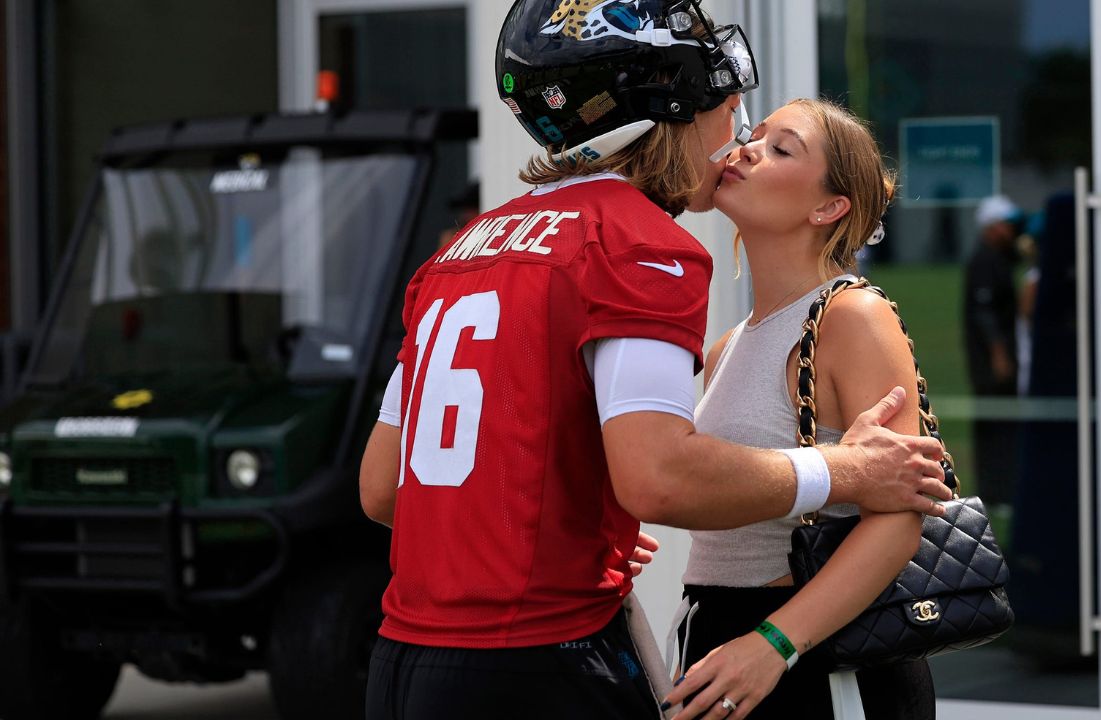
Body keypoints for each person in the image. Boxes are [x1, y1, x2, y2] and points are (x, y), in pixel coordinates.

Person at [358, 3, 950, 719]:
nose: (734, 140)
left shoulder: (462, 247)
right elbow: (660, 476)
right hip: (545, 655)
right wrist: (844, 470)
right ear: (665, 104)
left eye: (773, 142)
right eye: (729, 111)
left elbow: (385, 488)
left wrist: (577, 520)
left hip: (405, 656)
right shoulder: (637, 242)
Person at [660, 99, 937, 720]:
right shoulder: (730, 344)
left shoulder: (853, 316)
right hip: (718, 636)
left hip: (817, 653)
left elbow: (900, 516)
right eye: (752, 136)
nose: (747, 149)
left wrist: (773, 645)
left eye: (782, 148)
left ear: (827, 208)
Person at [963, 194, 1023, 512]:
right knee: (995, 425)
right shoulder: (985, 260)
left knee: (1001, 424)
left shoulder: (997, 257)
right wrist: (1000, 355)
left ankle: (1001, 488)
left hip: (994, 358)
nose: (1011, 231)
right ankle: (995, 491)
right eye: (1006, 225)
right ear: (992, 227)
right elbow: (983, 314)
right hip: (989, 362)